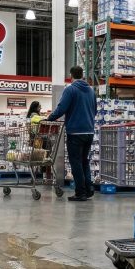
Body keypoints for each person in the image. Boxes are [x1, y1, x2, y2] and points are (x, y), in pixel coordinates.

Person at [47, 66, 97, 201]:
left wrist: (48, 118)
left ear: (71, 76)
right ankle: (89, 189)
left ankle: (80, 192)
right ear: (82, 75)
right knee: (84, 161)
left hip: (75, 132)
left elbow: (62, 108)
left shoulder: (70, 89)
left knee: (76, 162)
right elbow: (95, 110)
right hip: (89, 131)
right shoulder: (91, 91)